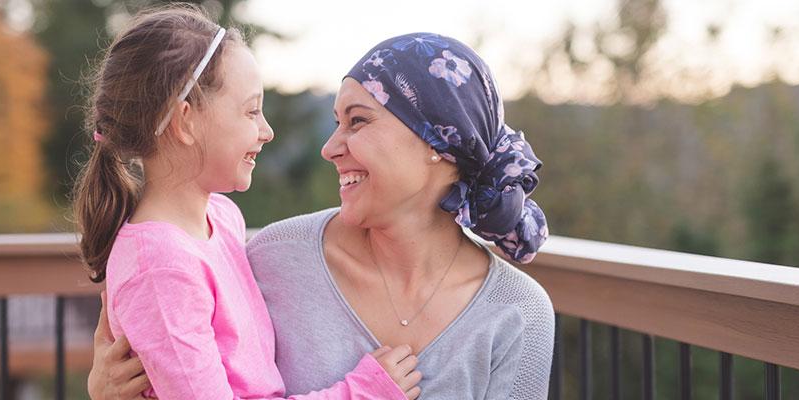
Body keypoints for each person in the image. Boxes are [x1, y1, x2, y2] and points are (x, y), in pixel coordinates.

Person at [91, 32, 555, 399]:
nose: (329, 148)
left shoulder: (519, 317)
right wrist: (105, 388)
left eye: (358, 121)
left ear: (437, 143)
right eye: (335, 121)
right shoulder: (273, 257)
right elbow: (163, 326)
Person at [75, 5, 420, 399]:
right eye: (251, 111)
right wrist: (361, 393)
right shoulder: (159, 266)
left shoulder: (221, 219)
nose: (266, 131)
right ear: (185, 121)